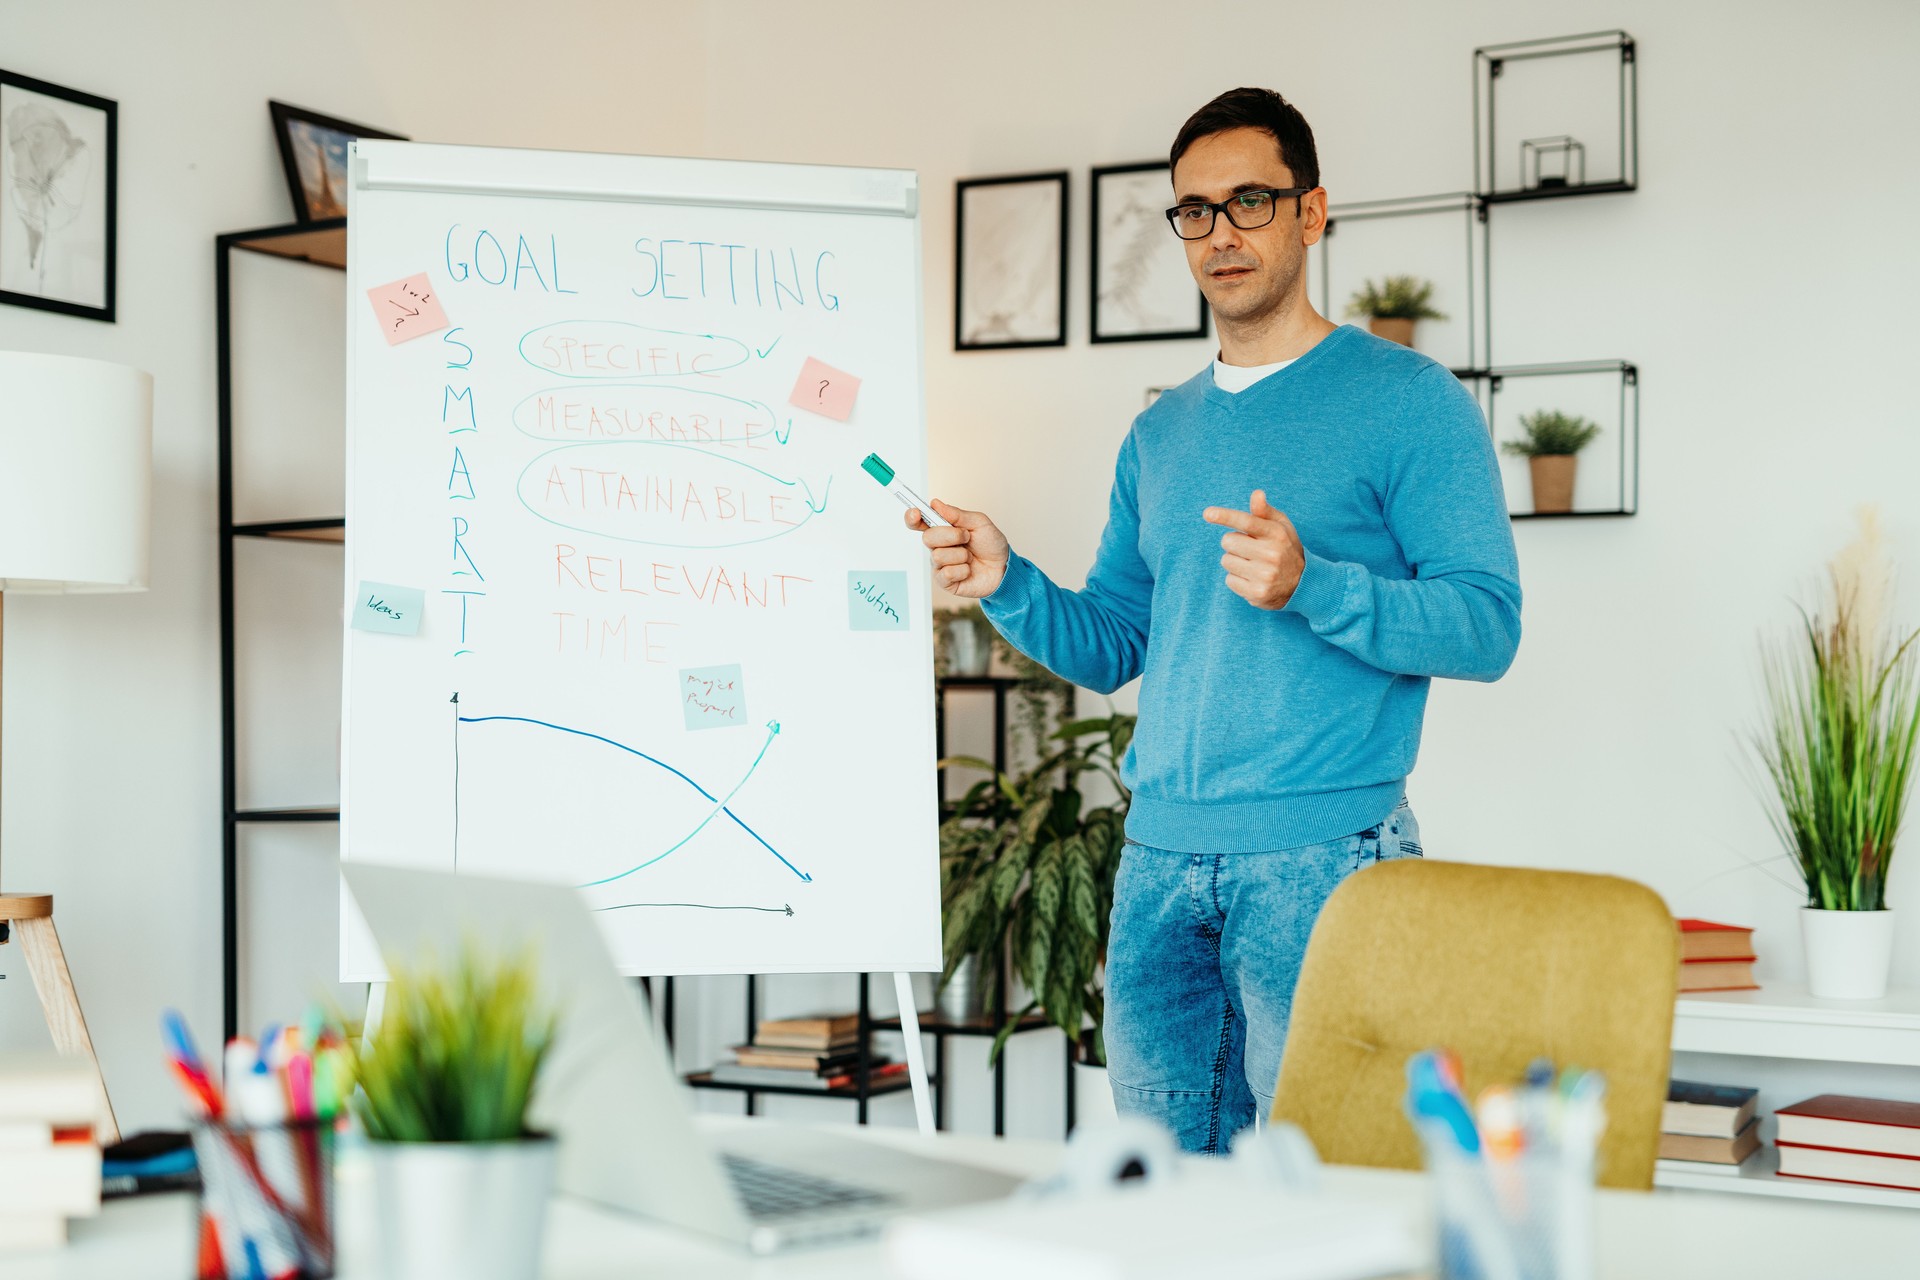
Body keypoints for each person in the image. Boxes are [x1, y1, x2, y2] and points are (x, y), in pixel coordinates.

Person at [907, 87, 1522, 1153]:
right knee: (1171, 1210)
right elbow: (1113, 643)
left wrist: (1313, 584)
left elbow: (1485, 624)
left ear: (1311, 212)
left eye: (1248, 201)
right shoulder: (1161, 432)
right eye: (1195, 210)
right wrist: (1008, 578)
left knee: (1326, 1193)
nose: (1220, 232)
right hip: (1156, 868)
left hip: (1325, 861)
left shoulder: (1409, 399)